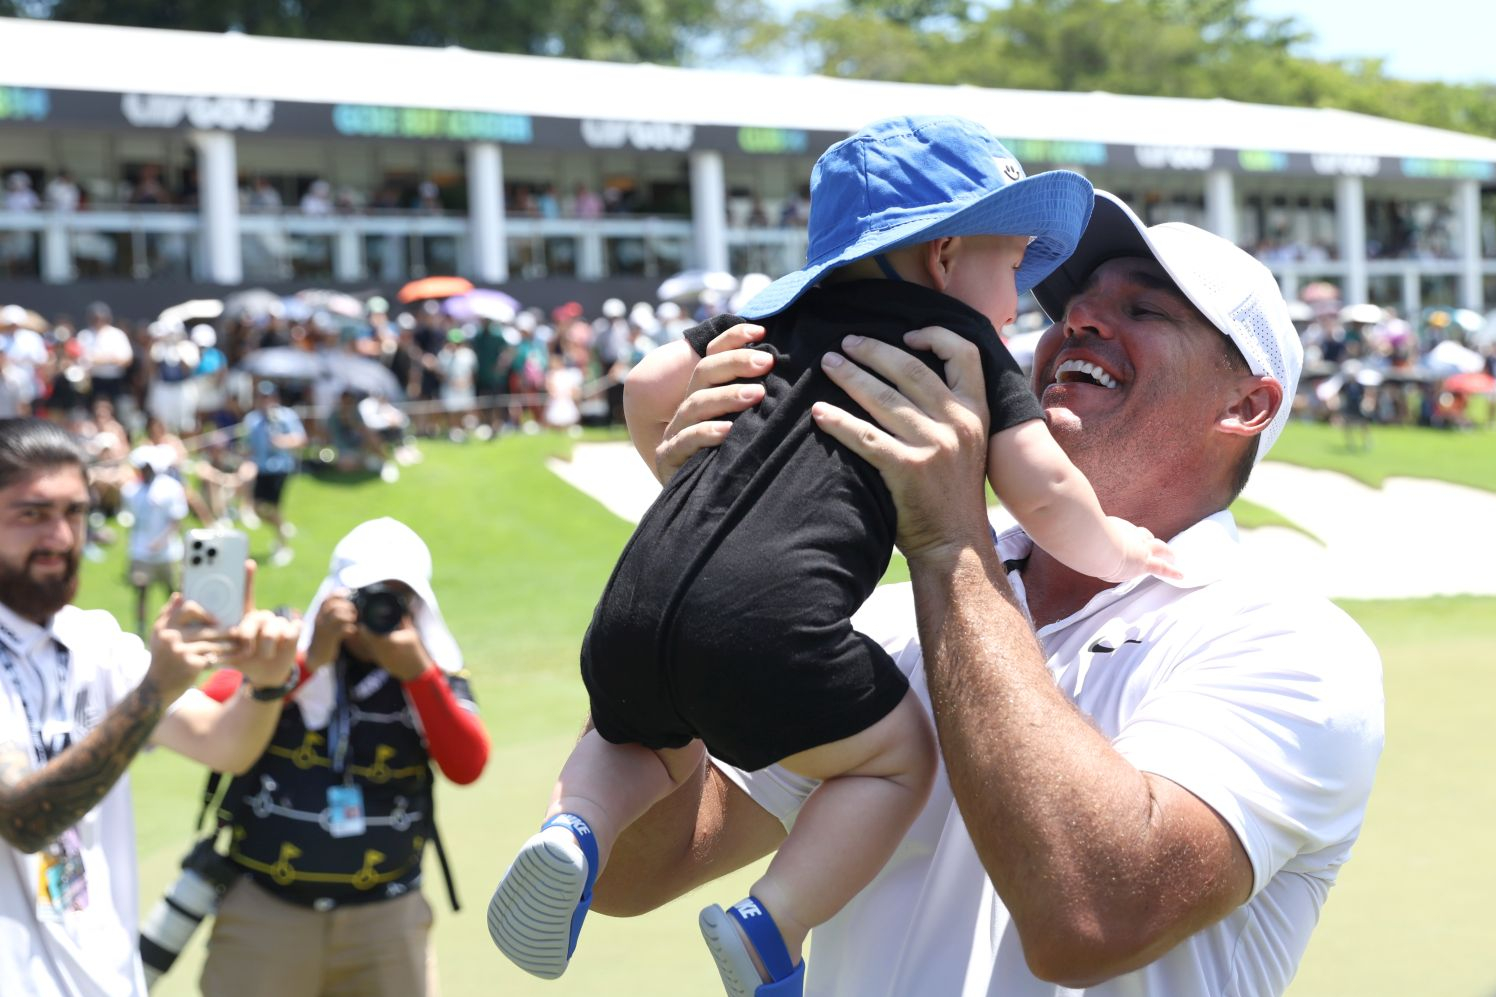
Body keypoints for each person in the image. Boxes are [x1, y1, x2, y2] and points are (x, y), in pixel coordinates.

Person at [590, 191, 1385, 997]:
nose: (1078, 322)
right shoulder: (887, 617)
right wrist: (703, 540)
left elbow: (1091, 919)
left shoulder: (1289, 642)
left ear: (1247, 404)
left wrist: (949, 542)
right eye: (1069, 307)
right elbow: (631, 867)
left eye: (1144, 307)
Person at [487, 118, 1173, 993]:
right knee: (893, 760)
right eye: (1012, 265)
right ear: (947, 255)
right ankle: (773, 923)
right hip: (771, 621)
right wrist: (1117, 546)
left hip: (632, 601)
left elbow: (646, 385)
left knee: (635, 735)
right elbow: (1042, 491)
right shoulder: (956, 346)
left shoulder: (776, 315)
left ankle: (570, 829)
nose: (1022, 302)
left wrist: (674, 470)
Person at [0, 417, 302, 997]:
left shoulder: (95, 640)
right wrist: (154, 689)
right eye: (32, 513)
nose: (61, 537)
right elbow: (24, 817)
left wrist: (264, 684)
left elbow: (225, 745)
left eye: (74, 512)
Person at [195, 518, 490, 997]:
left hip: (386, 919)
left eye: (396, 597)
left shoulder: (432, 665)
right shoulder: (284, 646)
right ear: (334, 593)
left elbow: (467, 765)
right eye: (367, 594)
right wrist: (310, 661)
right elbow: (214, 710)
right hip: (268, 911)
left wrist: (418, 676)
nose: (379, 609)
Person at [120, 445, 188, 636]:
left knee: (173, 593)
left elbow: (176, 520)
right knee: (141, 592)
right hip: (140, 551)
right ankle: (141, 631)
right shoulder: (131, 490)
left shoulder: (170, 488)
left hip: (167, 552)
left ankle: (177, 626)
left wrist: (161, 541)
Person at [242, 381, 306, 566]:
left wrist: (282, 442)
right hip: (261, 468)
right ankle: (281, 528)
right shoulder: (252, 420)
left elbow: (300, 439)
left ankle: (283, 546)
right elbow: (248, 445)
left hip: (280, 468)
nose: (265, 401)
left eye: (268, 397)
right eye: (262, 397)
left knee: (273, 507)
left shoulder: (286, 416)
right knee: (258, 508)